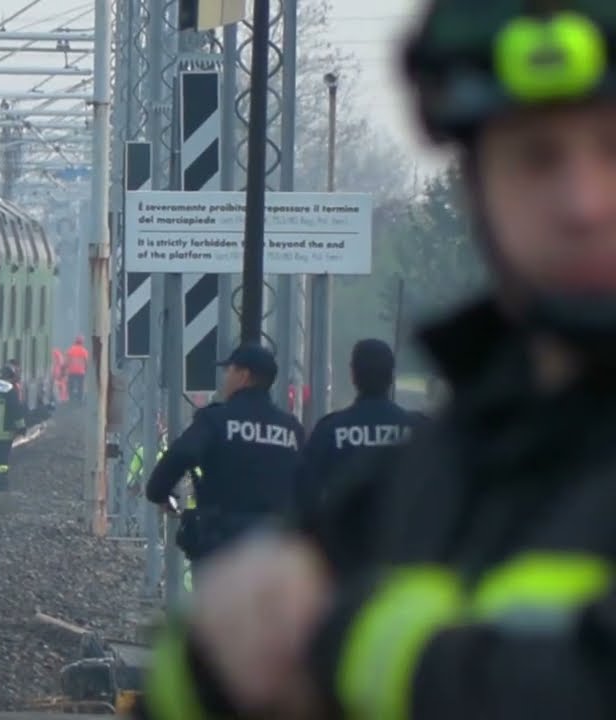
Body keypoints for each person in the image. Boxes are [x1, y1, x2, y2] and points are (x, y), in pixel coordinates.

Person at [136, 2, 616, 718]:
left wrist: (344, 642)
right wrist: (208, 668)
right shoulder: (436, 472)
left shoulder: (380, 464)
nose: (582, 202)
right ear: (476, 186)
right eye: (536, 156)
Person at [145, 344, 304, 561]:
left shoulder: (216, 420)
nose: (225, 377)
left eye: (229, 370)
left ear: (243, 376)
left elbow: (182, 454)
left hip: (224, 542)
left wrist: (159, 493)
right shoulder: (291, 428)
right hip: (276, 544)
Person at [295, 338, 427, 513]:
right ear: (391, 376)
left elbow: (305, 494)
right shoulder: (419, 430)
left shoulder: (330, 430)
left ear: (353, 375)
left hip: (346, 535)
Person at [65, 336, 88, 402]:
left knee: (70, 386)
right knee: (81, 386)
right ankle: (80, 399)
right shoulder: (84, 351)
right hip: (81, 372)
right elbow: (86, 362)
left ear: (75, 341)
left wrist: (66, 368)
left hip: (71, 371)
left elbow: (68, 360)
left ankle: (71, 399)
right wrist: (86, 369)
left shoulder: (71, 349)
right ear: (82, 342)